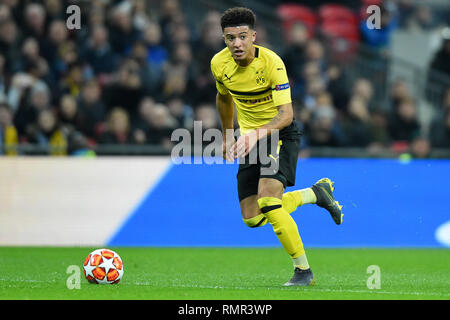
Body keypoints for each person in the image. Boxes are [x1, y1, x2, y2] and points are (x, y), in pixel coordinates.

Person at [210, 7, 343, 287]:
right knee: (252, 217)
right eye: (230, 38)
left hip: (278, 133)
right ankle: (315, 194)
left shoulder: (272, 63)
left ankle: (303, 272)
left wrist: (255, 134)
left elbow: (286, 115)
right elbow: (224, 98)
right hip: (249, 138)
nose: (237, 44)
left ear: (254, 36)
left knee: (269, 200)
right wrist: (227, 135)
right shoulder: (219, 64)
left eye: (242, 37)